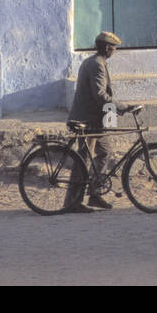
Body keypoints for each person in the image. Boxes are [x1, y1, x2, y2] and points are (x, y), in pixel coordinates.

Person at [67, 30, 130, 211]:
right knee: (84, 159)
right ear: (107, 48)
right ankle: (73, 202)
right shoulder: (96, 65)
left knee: (105, 152)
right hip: (87, 119)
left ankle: (95, 194)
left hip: (96, 120)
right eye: (114, 47)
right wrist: (123, 107)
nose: (115, 50)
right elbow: (100, 95)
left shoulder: (96, 62)